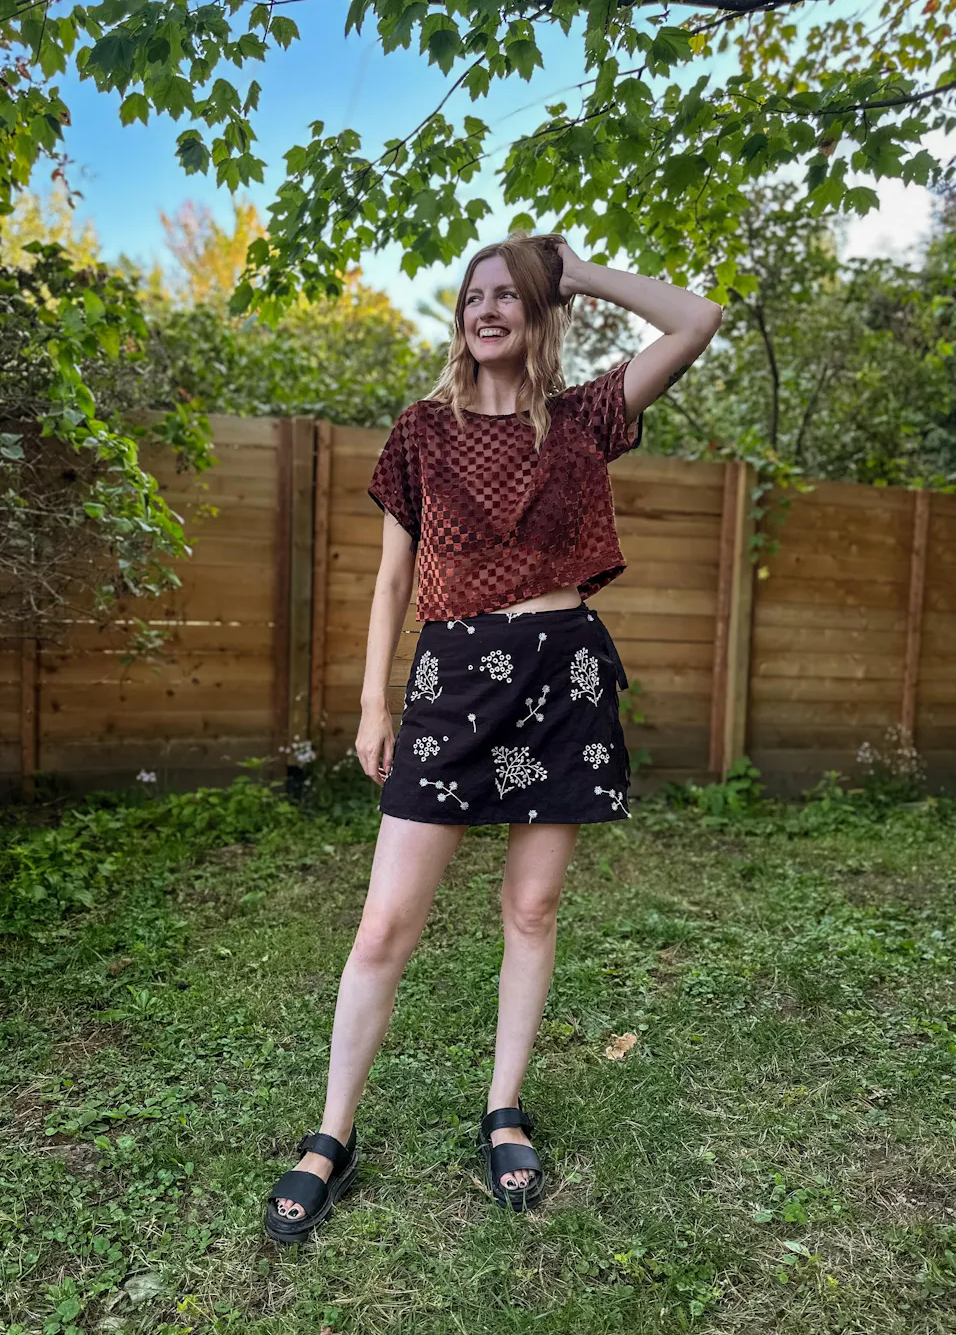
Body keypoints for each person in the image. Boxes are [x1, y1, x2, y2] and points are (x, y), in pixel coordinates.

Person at [264, 230, 722, 1242]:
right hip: (454, 677)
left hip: (562, 677)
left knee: (532, 906)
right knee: (385, 924)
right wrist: (373, 702)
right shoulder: (421, 430)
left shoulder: (586, 418)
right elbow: (393, 579)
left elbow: (697, 321)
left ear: (538, 311)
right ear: (459, 318)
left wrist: (577, 270)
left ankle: (503, 1108)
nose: (487, 309)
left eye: (509, 294)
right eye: (474, 295)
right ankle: (331, 1131)